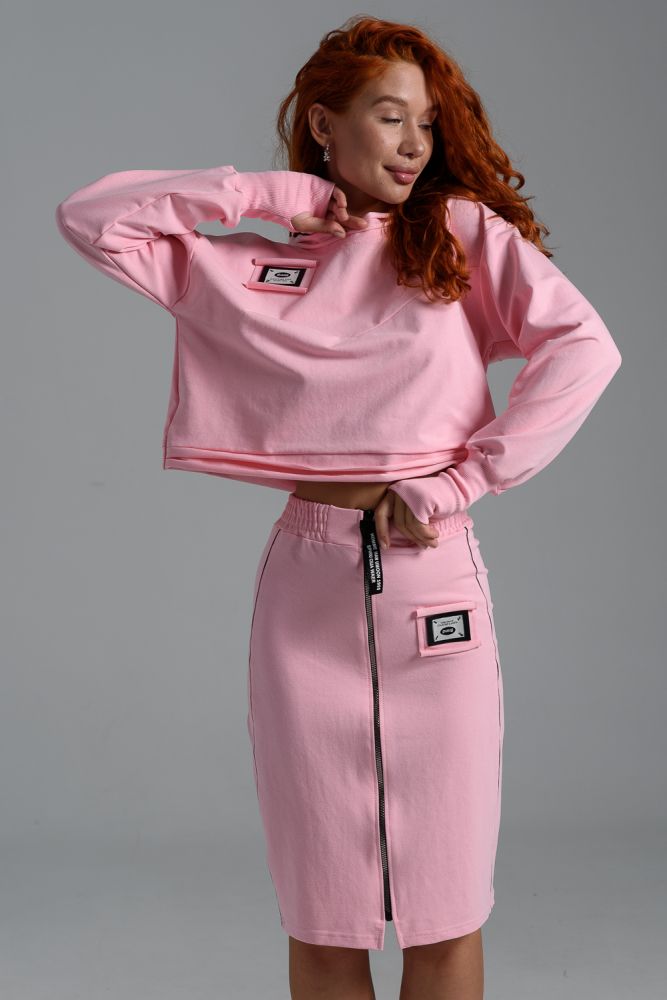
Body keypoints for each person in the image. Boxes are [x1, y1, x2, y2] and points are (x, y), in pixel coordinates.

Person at [54, 14, 622, 1000]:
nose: (414, 144)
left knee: (443, 907)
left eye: (427, 124)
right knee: (322, 910)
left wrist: (460, 480)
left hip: (431, 578)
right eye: (389, 116)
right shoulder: (251, 266)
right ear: (324, 124)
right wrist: (277, 195)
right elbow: (92, 217)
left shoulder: (456, 238)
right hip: (305, 589)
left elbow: (584, 348)